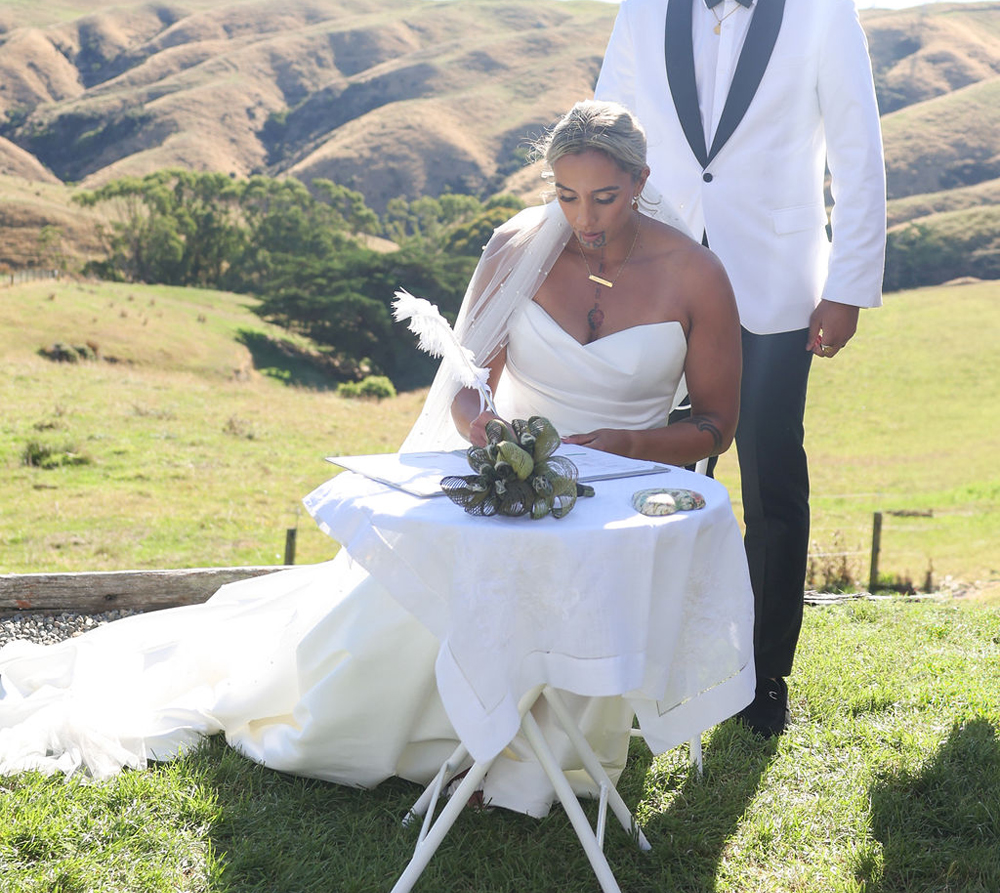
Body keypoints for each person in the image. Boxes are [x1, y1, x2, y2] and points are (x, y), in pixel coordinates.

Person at [0, 101, 747, 809]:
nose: (583, 218)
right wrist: (485, 431)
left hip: (619, 500)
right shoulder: (518, 248)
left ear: (642, 185)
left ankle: (537, 733)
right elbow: (463, 379)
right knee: (336, 695)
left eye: (605, 197)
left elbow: (716, 425)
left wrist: (629, 445)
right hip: (512, 484)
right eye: (566, 195)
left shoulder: (698, 276)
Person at [596, 0, 886, 737]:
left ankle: (765, 678)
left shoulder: (826, 16)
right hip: (661, 287)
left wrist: (848, 287)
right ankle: (630, 665)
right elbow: (605, 149)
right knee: (644, 471)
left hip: (776, 289)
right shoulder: (641, 14)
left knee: (771, 479)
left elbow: (858, 156)